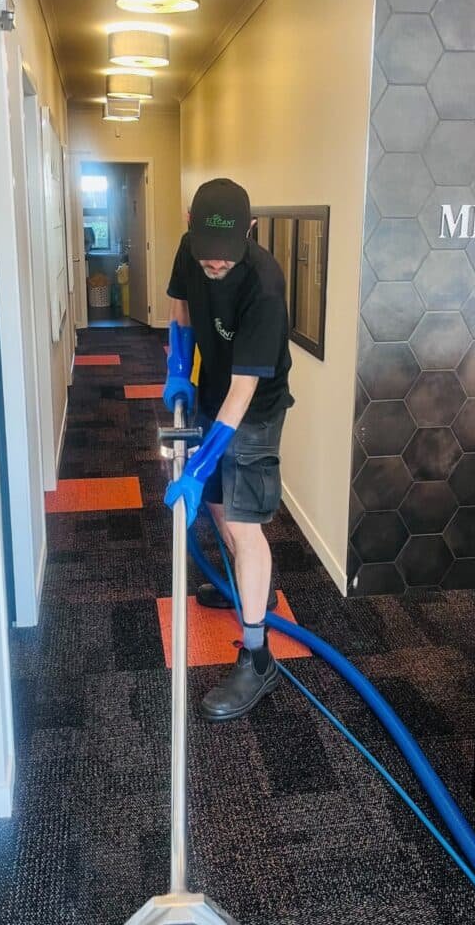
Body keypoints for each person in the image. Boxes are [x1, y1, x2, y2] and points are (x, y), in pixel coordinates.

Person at [162, 178, 294, 722]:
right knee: (217, 507)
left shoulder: (263, 285)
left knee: (243, 524)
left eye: (225, 260)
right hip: (215, 390)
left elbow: (243, 394)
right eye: (206, 258)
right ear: (192, 227)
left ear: (251, 232)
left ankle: (259, 655)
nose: (213, 268)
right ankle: (245, 586)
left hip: (255, 407)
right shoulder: (192, 246)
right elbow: (179, 307)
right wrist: (177, 368)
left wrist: (197, 466)